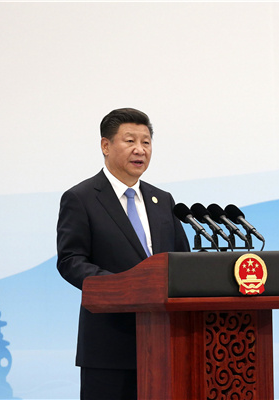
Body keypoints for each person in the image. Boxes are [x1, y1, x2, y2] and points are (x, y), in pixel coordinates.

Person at [56, 108, 190, 400]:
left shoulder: (162, 200)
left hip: (166, 342)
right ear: (105, 146)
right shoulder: (81, 198)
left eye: (146, 142)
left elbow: (183, 261)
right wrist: (122, 286)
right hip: (109, 345)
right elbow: (70, 261)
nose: (139, 150)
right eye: (130, 141)